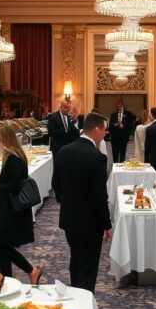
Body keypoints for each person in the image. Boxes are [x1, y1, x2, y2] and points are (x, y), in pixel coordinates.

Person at [52, 112, 113, 292]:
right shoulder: (97, 157)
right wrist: (107, 224)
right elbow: (100, 196)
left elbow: (56, 184)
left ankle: (76, 295)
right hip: (90, 222)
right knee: (88, 266)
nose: (105, 134)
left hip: (69, 217)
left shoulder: (64, 151)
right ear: (97, 129)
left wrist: (68, 202)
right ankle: (85, 301)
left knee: (76, 259)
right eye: (104, 130)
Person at [0, 126, 43, 285]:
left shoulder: (13, 159)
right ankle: (7, 280)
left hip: (13, 208)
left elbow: (16, 185)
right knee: (3, 245)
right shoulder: (12, 156)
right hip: (11, 207)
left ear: (3, 140)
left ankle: (31, 270)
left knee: (1, 244)